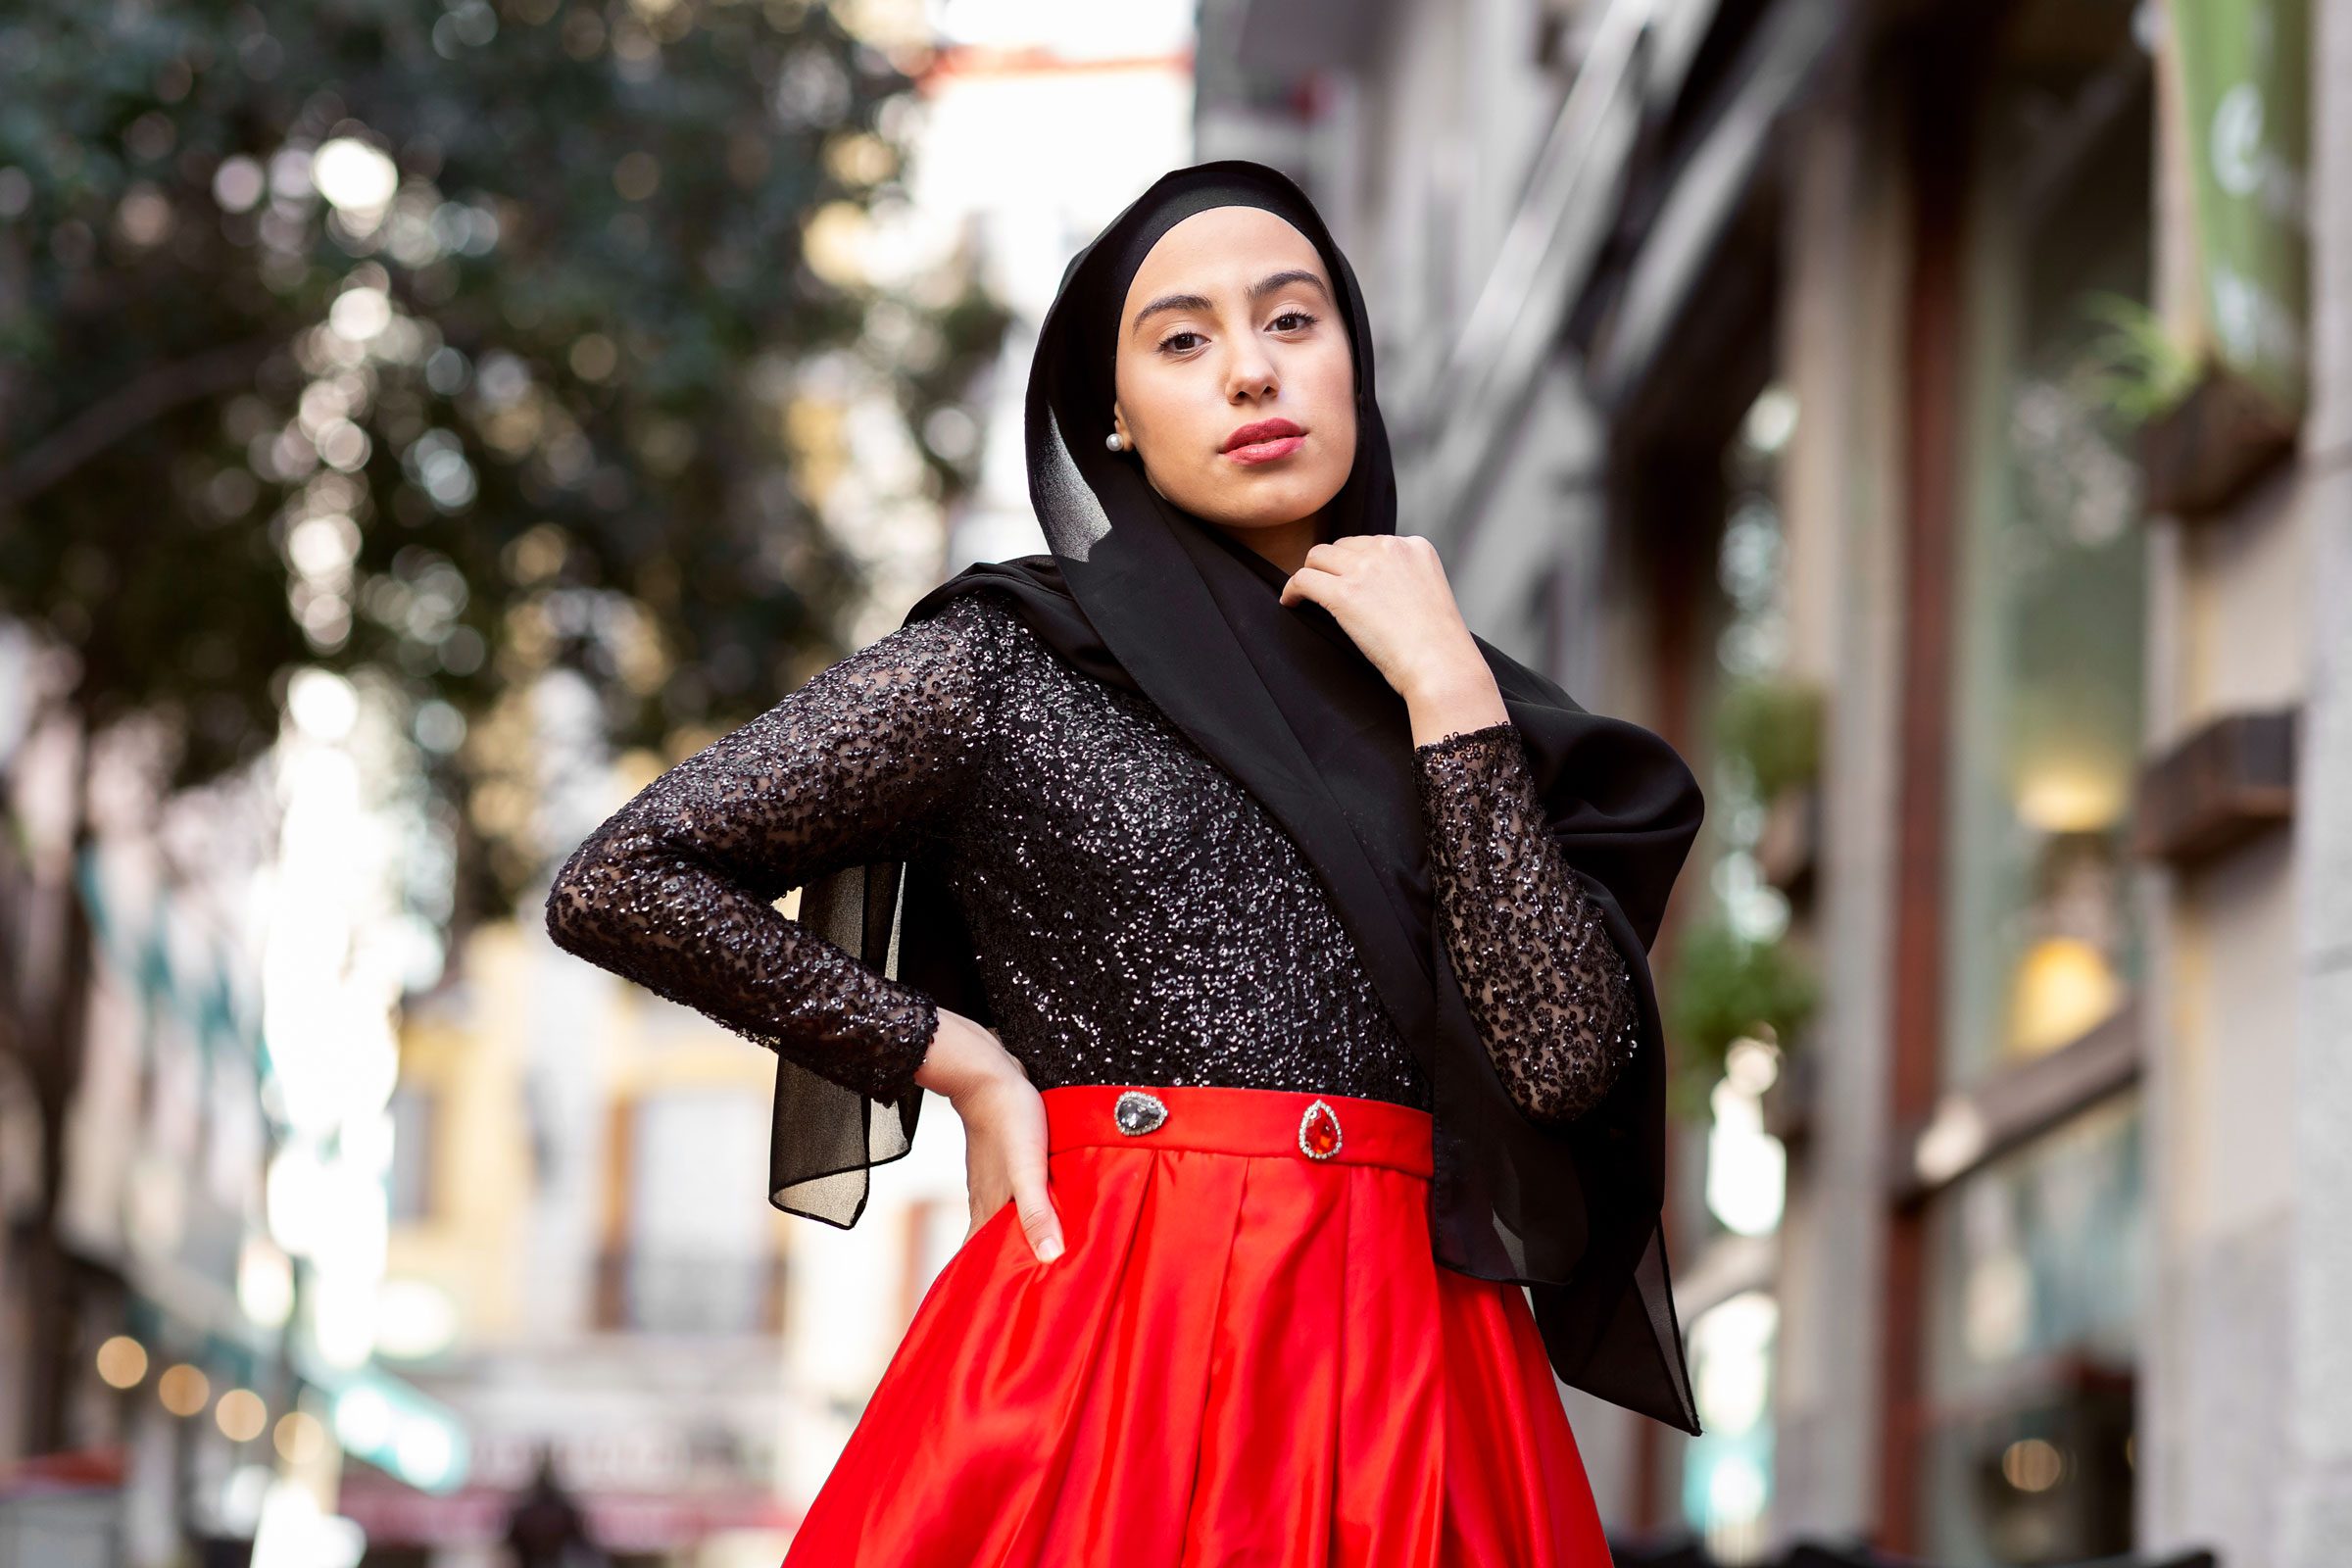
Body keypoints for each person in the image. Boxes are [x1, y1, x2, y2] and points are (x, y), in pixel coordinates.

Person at [545, 160, 1705, 1566]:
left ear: (1354, 360)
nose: (1250, 374)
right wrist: (952, 1057)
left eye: (1293, 322)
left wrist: (1451, 692)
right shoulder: (1007, 665)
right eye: (1182, 340)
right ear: (1115, 417)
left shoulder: (1470, 706)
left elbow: (1565, 1059)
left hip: (1418, 1367)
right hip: (1114, 1342)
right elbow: (625, 876)